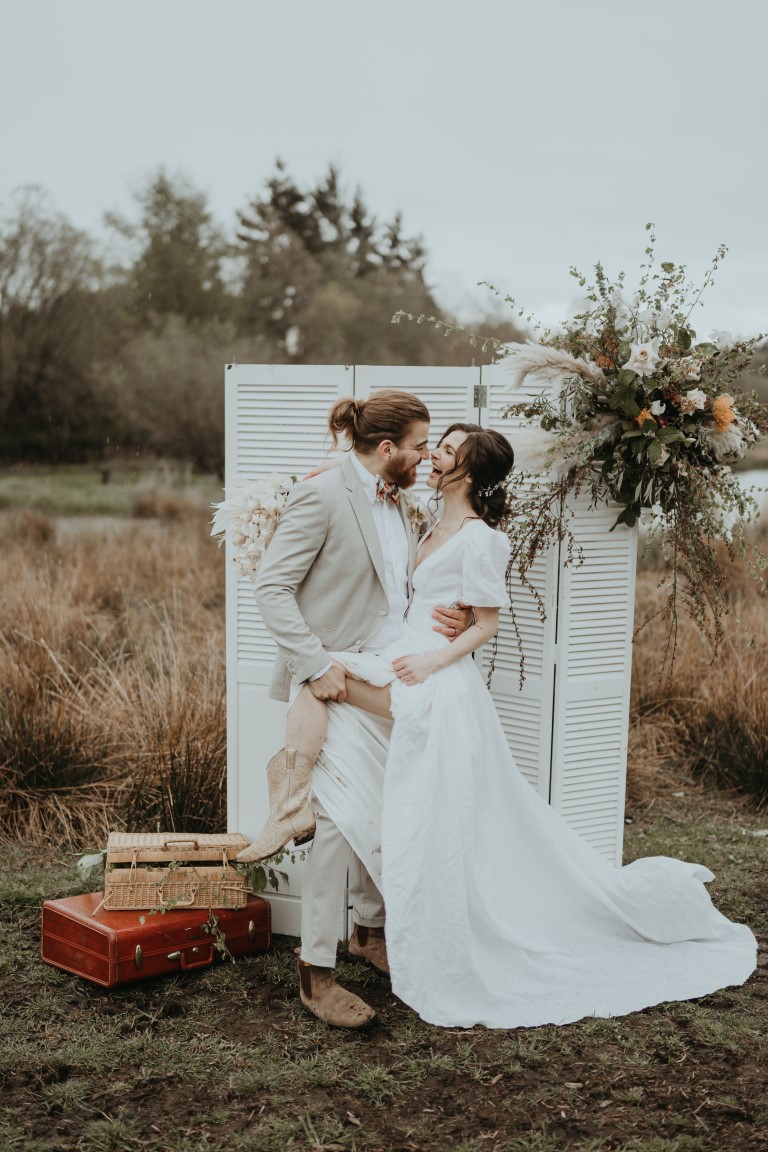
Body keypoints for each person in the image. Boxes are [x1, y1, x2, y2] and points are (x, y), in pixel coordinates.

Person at [258, 421, 757, 1029]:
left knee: (333, 696)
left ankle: (296, 817)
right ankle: (311, 840)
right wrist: (320, 477)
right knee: (342, 736)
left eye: (444, 450)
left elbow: (486, 625)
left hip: (432, 683)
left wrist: (433, 658)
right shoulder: (421, 515)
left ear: (467, 470)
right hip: (400, 661)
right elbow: (360, 489)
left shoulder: (482, 539)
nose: (432, 456)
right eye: (431, 445)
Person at [241, 391, 471, 1028]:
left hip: (388, 684)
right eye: (422, 445)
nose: (428, 457)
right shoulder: (322, 495)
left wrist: (449, 616)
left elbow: (406, 585)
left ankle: (370, 936)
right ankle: (315, 974)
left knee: (390, 810)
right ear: (388, 448)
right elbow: (272, 587)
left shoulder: (406, 502)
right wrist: (316, 667)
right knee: (340, 825)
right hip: (333, 682)